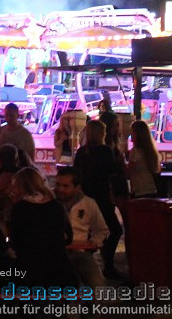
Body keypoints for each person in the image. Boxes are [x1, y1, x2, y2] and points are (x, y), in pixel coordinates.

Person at [72, 119, 125, 279]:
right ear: (101, 133)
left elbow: (76, 173)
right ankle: (107, 264)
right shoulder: (105, 151)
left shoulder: (82, 152)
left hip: (86, 197)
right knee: (115, 230)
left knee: (88, 231)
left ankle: (86, 266)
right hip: (102, 196)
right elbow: (113, 172)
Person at [8, 167, 77, 288]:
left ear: (20, 187)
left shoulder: (20, 208)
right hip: (59, 271)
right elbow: (69, 237)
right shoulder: (57, 206)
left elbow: (15, 242)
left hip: (29, 272)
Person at [54, 167, 107, 287]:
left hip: (79, 253)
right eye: (58, 184)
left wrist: (94, 242)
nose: (60, 189)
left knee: (97, 284)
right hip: (54, 253)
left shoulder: (88, 203)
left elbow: (101, 229)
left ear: (77, 187)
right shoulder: (49, 201)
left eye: (65, 186)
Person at [126, 120, 160, 198]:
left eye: (132, 132)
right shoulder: (150, 150)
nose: (130, 134)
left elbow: (128, 172)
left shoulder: (135, 151)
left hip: (139, 190)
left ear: (138, 134)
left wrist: (121, 160)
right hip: (151, 189)